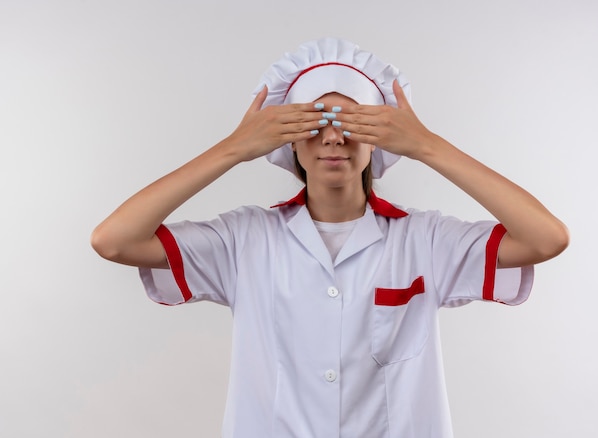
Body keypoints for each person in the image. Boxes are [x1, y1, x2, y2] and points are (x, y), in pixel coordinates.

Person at [91, 37, 569, 437]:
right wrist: (233, 149)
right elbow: (113, 240)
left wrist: (427, 145)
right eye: (315, 123)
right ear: (290, 138)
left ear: (378, 137)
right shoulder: (245, 240)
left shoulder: (424, 239)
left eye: (351, 123)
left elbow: (545, 238)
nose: (334, 138)